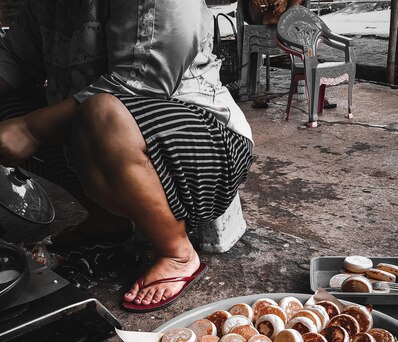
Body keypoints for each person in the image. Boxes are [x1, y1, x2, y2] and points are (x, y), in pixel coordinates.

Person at [0, 0, 253, 312]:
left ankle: (176, 251)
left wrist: (30, 130)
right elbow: (12, 59)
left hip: (206, 145)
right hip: (100, 132)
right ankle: (108, 221)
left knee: (100, 114)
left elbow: (142, 82)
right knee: (11, 110)